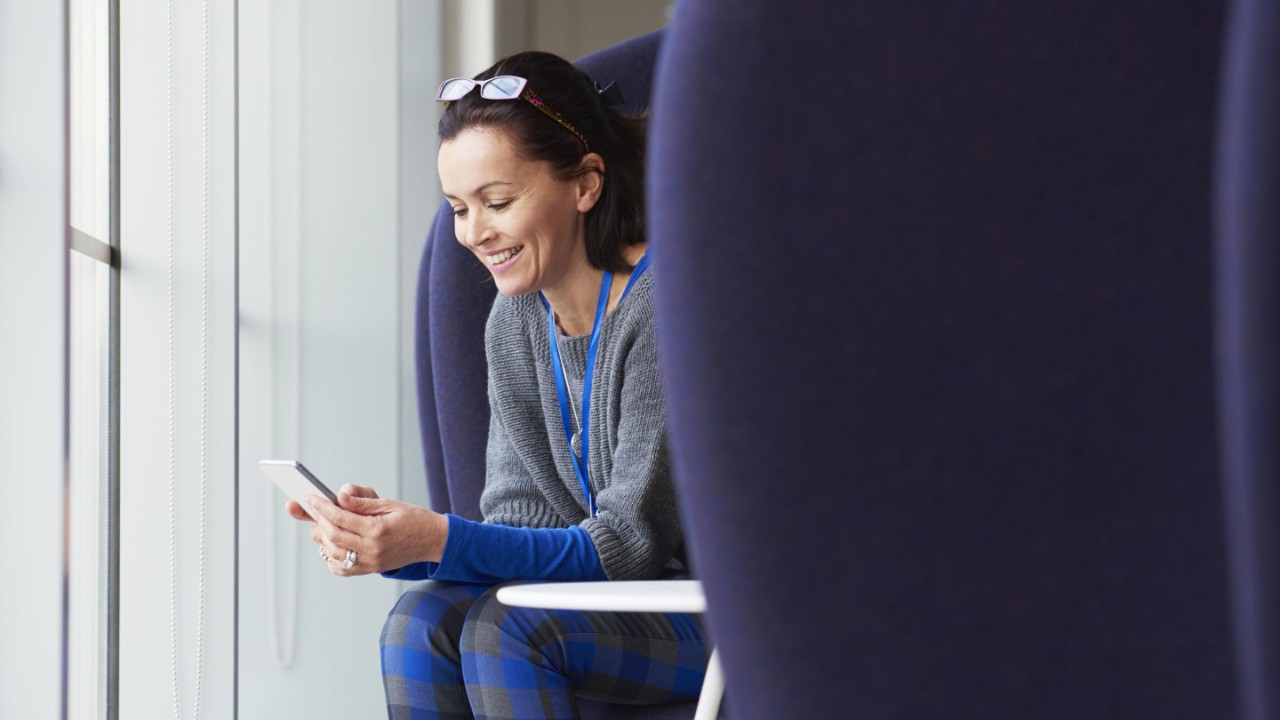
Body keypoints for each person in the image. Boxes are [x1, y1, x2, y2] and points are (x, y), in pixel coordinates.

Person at [284, 50, 709, 719]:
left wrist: (434, 539)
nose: (474, 233)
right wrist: (390, 543)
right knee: (417, 623)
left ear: (585, 183)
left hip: (713, 612)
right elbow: (520, 523)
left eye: (497, 201)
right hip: (603, 606)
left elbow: (628, 548)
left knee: (506, 629)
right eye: (458, 208)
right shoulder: (514, 319)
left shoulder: (662, 307)